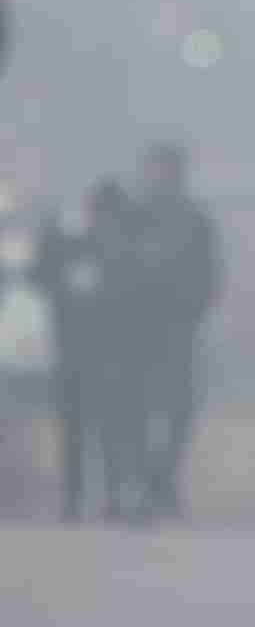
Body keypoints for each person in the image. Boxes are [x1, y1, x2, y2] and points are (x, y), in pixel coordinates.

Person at [32, 177, 142, 522]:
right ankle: (83, 497)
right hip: (88, 350)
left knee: (98, 429)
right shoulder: (76, 244)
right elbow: (43, 273)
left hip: (100, 350)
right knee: (88, 429)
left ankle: (94, 497)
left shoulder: (120, 251)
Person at [132, 142, 222, 521]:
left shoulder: (195, 220)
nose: (159, 177)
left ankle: (164, 475)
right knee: (136, 407)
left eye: (166, 170)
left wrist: (195, 307)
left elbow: (210, 271)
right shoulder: (134, 217)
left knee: (180, 408)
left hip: (180, 326)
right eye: (154, 169)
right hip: (137, 326)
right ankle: (147, 479)